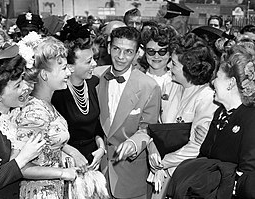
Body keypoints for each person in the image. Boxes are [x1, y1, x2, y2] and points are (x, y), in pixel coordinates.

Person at [167, 41, 255, 199]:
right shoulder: (221, 113)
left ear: (231, 83)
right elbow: (204, 159)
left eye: (218, 77)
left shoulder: (250, 119)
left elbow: (248, 177)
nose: (212, 82)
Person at [12, 36, 86, 199]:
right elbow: (21, 166)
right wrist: (63, 172)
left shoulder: (46, 105)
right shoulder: (34, 113)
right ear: (44, 75)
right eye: (64, 68)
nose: (69, 72)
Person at [147, 33, 218, 198]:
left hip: (185, 175)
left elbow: (196, 147)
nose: (170, 68)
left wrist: (163, 163)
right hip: (160, 171)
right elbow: (157, 128)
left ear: (190, 69)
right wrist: (153, 150)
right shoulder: (170, 86)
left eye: (174, 64)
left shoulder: (206, 98)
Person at [98, 26, 161, 199]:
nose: (120, 57)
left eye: (128, 51)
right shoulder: (95, 77)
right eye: (116, 49)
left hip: (131, 176)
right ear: (109, 47)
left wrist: (134, 144)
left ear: (137, 53)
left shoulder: (149, 86)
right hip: (98, 174)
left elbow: (148, 128)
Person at [52, 25, 106, 170]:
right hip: (67, 161)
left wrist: (101, 148)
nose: (94, 64)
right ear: (70, 67)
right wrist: (72, 153)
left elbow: (98, 127)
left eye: (94, 59)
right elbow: (49, 135)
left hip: (94, 158)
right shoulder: (58, 92)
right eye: (88, 62)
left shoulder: (95, 82)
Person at [0, 44, 46, 199]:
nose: (25, 87)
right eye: (17, 85)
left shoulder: (14, 112)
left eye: (22, 80)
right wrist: (24, 156)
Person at [140, 22, 177, 89]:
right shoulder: (137, 79)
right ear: (145, 51)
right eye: (151, 51)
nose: (156, 56)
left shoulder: (176, 82)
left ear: (170, 53)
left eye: (162, 51)